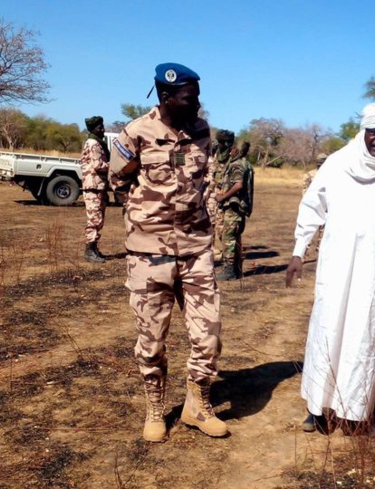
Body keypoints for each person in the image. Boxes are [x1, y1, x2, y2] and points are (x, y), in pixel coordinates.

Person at [286, 103, 375, 435]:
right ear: (364, 132)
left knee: (364, 336)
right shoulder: (337, 163)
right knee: (326, 329)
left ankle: (355, 414)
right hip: (336, 264)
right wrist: (298, 251)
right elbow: (312, 206)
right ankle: (318, 409)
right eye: (374, 132)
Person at [109, 62, 227, 442]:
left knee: (208, 337)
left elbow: (201, 178)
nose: (197, 105)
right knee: (152, 340)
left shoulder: (201, 131)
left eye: (197, 97)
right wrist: (144, 216)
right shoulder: (137, 132)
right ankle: (155, 409)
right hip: (149, 253)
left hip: (195, 250)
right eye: (189, 99)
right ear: (165, 97)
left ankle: (198, 406)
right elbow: (118, 179)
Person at [216, 142, 253, 281]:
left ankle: (229, 270)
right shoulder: (246, 163)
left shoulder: (237, 164)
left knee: (228, 238)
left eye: (231, 149)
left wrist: (222, 197)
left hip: (234, 207)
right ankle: (236, 270)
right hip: (240, 207)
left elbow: (238, 185)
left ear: (235, 150)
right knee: (235, 237)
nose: (229, 152)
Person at [80, 116, 110, 264]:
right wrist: (114, 165)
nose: (102, 129)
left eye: (102, 126)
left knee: (98, 219)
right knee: (94, 219)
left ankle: (94, 249)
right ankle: (89, 251)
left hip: (98, 186)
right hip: (93, 186)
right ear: (92, 129)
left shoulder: (98, 143)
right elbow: (98, 165)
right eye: (99, 127)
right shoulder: (94, 144)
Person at [207, 129, 235, 257]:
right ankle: (211, 247)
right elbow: (212, 176)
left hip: (226, 195)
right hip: (214, 194)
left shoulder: (233, 157)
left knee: (224, 225)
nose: (222, 145)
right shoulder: (214, 155)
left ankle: (230, 253)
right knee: (211, 222)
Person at [301, 153, 328, 256]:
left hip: (325, 208)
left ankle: (320, 253)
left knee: (324, 234)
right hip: (313, 208)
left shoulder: (332, 175)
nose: (320, 164)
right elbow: (304, 190)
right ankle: (302, 254)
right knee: (308, 233)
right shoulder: (309, 175)